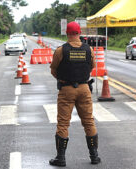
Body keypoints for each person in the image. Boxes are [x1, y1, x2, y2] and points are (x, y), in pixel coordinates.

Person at [49, 21, 101, 167]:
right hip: (84, 88)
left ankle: (61, 158)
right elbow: (92, 67)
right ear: (79, 33)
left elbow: (53, 70)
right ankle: (94, 156)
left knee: (63, 123)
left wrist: (63, 79)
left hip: (66, 89)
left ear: (67, 33)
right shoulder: (88, 49)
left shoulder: (61, 50)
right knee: (89, 121)